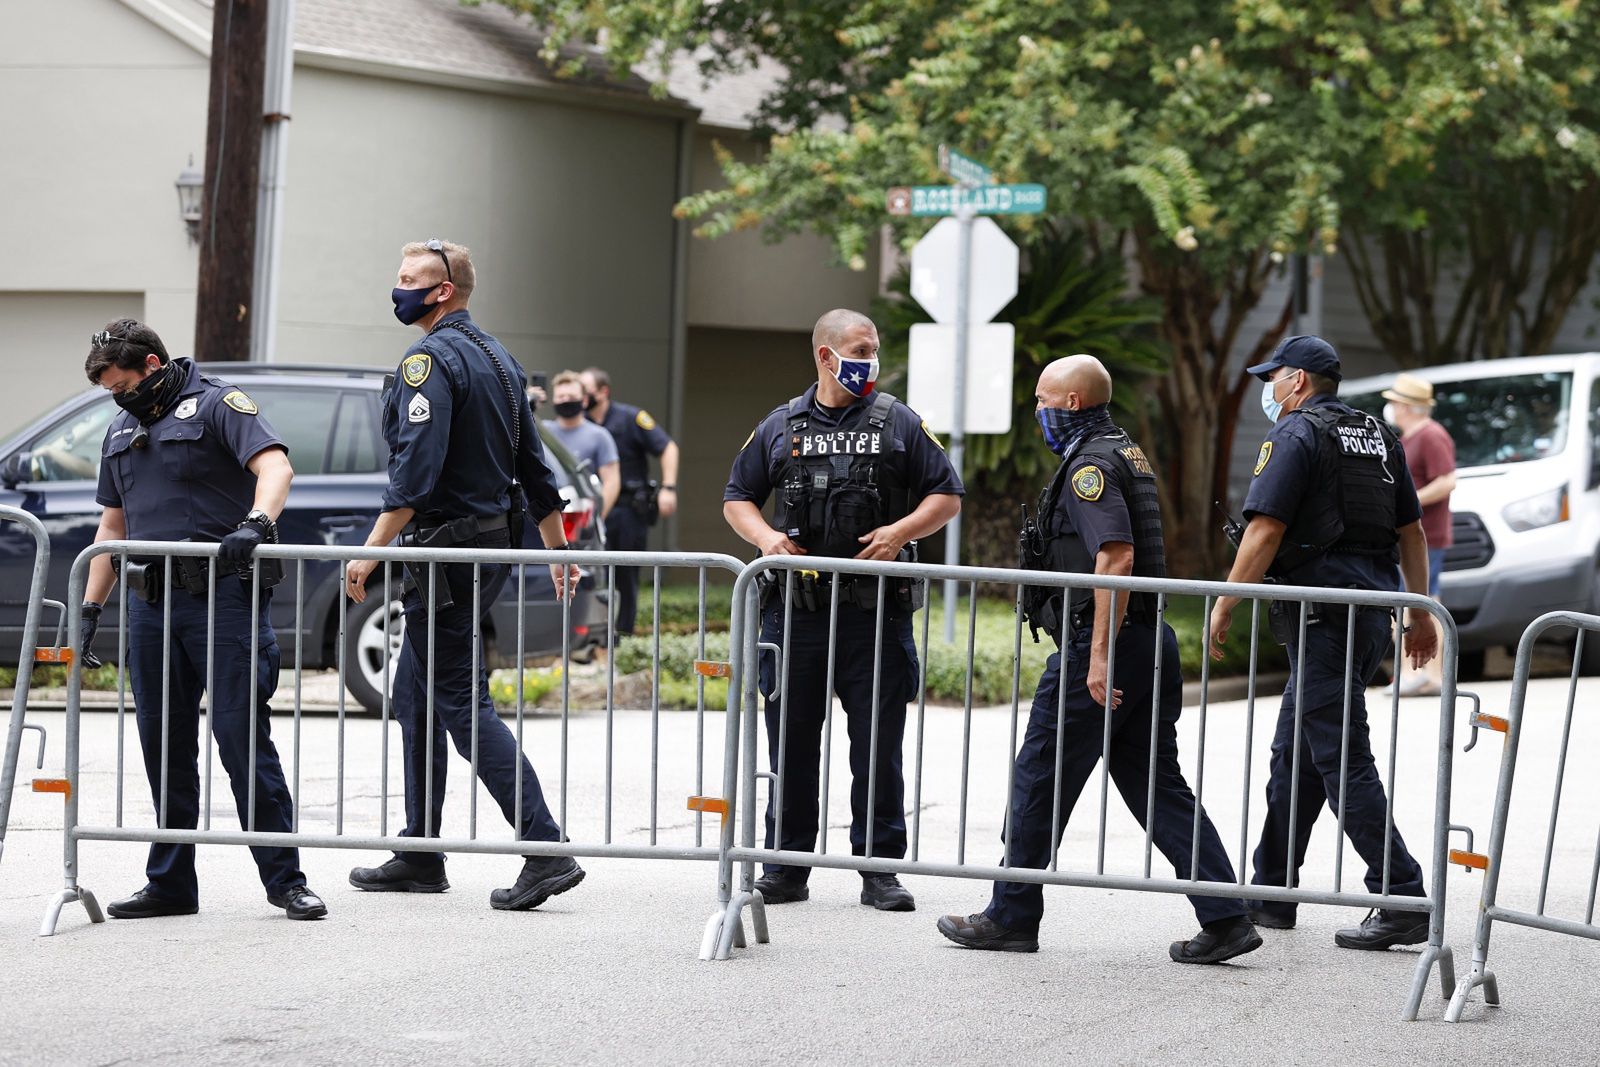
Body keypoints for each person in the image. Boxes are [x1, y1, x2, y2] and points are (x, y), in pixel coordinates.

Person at [937, 355, 1261, 963]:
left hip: (1105, 643)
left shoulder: (1091, 464)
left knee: (1040, 775)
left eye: (1043, 399)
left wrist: (1098, 657)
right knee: (1155, 783)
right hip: (1147, 640)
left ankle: (1011, 915)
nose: (1036, 410)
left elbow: (1114, 557)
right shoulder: (1123, 451)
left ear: (1073, 403)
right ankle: (1226, 916)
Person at [345, 239, 585, 911]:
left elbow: (413, 480)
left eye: (408, 280)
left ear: (443, 290)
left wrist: (369, 552)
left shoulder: (429, 361)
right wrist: (556, 549)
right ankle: (420, 850)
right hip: (484, 550)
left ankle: (545, 847)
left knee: (459, 702)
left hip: (448, 556)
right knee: (415, 693)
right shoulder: (501, 359)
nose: (397, 289)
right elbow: (537, 471)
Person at [80, 319, 326, 921]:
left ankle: (286, 881)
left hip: (223, 600)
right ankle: (170, 883)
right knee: (163, 746)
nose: (118, 397)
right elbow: (113, 527)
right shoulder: (120, 428)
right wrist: (91, 606)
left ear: (154, 367)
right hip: (150, 603)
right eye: (110, 390)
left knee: (242, 741)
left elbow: (275, 468)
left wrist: (257, 525)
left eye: (123, 385)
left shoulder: (218, 405)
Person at [723, 308, 963, 912]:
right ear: (825, 357)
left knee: (876, 744)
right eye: (860, 349)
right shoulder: (782, 424)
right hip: (796, 616)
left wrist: (901, 530)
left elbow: (947, 493)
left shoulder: (899, 422)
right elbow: (737, 497)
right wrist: (766, 539)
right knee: (792, 744)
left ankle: (878, 868)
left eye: (875, 349)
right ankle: (786, 866)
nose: (871, 361)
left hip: (872, 615)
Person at [1207, 335, 1439, 950]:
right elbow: (1410, 531)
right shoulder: (1375, 434)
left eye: (1274, 376)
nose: (1269, 388)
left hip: (1322, 617)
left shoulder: (1296, 434)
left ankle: (1402, 892)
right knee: (1297, 753)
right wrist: (1417, 612)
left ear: (1300, 381)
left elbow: (1264, 531)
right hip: (1367, 615)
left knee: (1339, 754)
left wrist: (1225, 603)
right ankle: (1272, 891)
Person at [579, 366, 678, 635]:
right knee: (590, 574)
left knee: (626, 574)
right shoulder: (580, 422)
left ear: (603, 392)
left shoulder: (630, 418)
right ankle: (591, 635)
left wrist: (668, 488)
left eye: (586, 391)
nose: (582, 398)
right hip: (591, 510)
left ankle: (623, 633)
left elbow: (667, 447)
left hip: (628, 510)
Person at [1382, 373, 1455, 696]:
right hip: (1412, 535)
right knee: (1416, 599)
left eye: (1394, 402)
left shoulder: (1430, 435)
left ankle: (1428, 673)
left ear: (1407, 406)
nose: (1391, 408)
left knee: (1422, 600)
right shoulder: (1412, 436)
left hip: (1426, 535)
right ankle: (1418, 673)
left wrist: (1408, 504)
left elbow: (1447, 481)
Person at [542, 370, 620, 518]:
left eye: (571, 397)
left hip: (582, 520)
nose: (565, 400)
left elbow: (611, 482)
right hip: (549, 518)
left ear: (584, 400)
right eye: (561, 397)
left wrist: (595, 519)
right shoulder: (542, 432)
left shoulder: (599, 436)